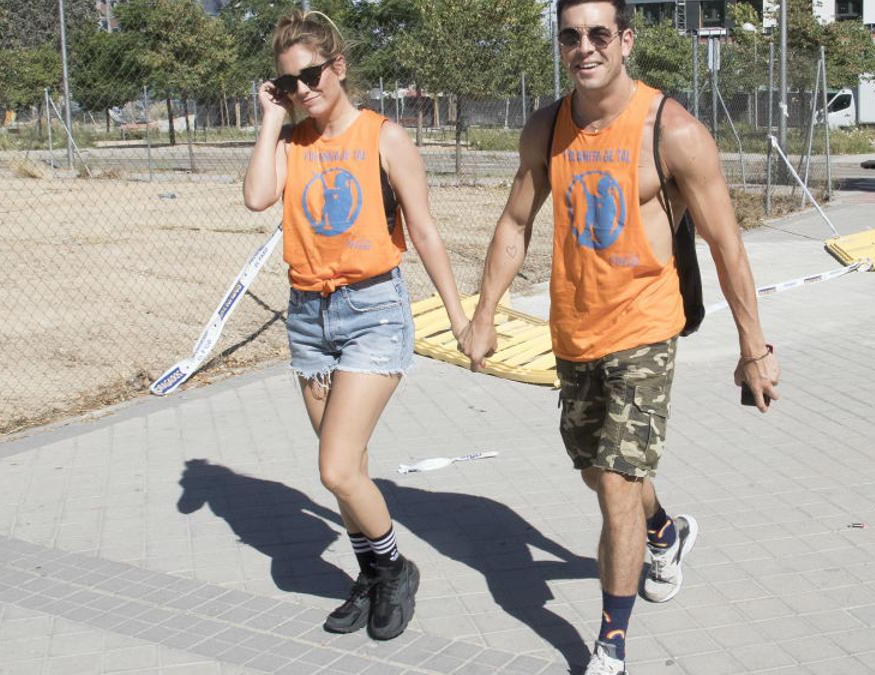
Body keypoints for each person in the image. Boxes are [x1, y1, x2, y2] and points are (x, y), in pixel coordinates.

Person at [458, 1, 780, 672]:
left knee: (613, 485)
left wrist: (755, 348)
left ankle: (611, 643)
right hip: (574, 330)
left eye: (599, 33)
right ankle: (664, 529)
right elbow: (516, 223)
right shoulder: (548, 129)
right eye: (571, 35)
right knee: (594, 469)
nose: (585, 47)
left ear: (626, 40)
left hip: (645, 330)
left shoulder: (673, 131)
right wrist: (484, 312)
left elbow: (726, 244)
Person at [242, 10, 470, 641]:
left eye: (311, 75)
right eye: (288, 84)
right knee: (352, 466)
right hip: (309, 316)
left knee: (335, 469)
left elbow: (422, 230)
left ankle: (395, 570)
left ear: (337, 67)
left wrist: (458, 318)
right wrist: (269, 119)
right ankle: (372, 574)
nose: (302, 91)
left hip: (372, 311)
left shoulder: (384, 137)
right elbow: (258, 196)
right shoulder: (292, 143)